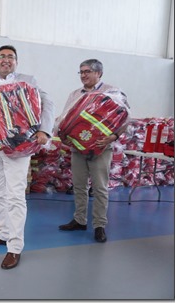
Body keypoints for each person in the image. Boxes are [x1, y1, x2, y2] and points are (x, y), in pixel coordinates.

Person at [0, 45, 55, 269]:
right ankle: (2, 233)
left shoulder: (28, 81)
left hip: (19, 147)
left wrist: (44, 131)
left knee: (15, 195)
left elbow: (47, 104)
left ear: (16, 62)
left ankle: (15, 247)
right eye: (2, 57)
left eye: (11, 57)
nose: (6, 60)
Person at [57, 59, 130, 243]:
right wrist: (62, 134)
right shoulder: (75, 94)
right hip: (78, 147)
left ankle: (99, 225)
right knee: (79, 186)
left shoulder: (112, 92)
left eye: (87, 71)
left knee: (100, 188)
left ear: (99, 73)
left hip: (101, 147)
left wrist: (112, 137)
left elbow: (126, 118)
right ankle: (79, 220)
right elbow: (64, 118)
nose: (83, 75)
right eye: (81, 72)